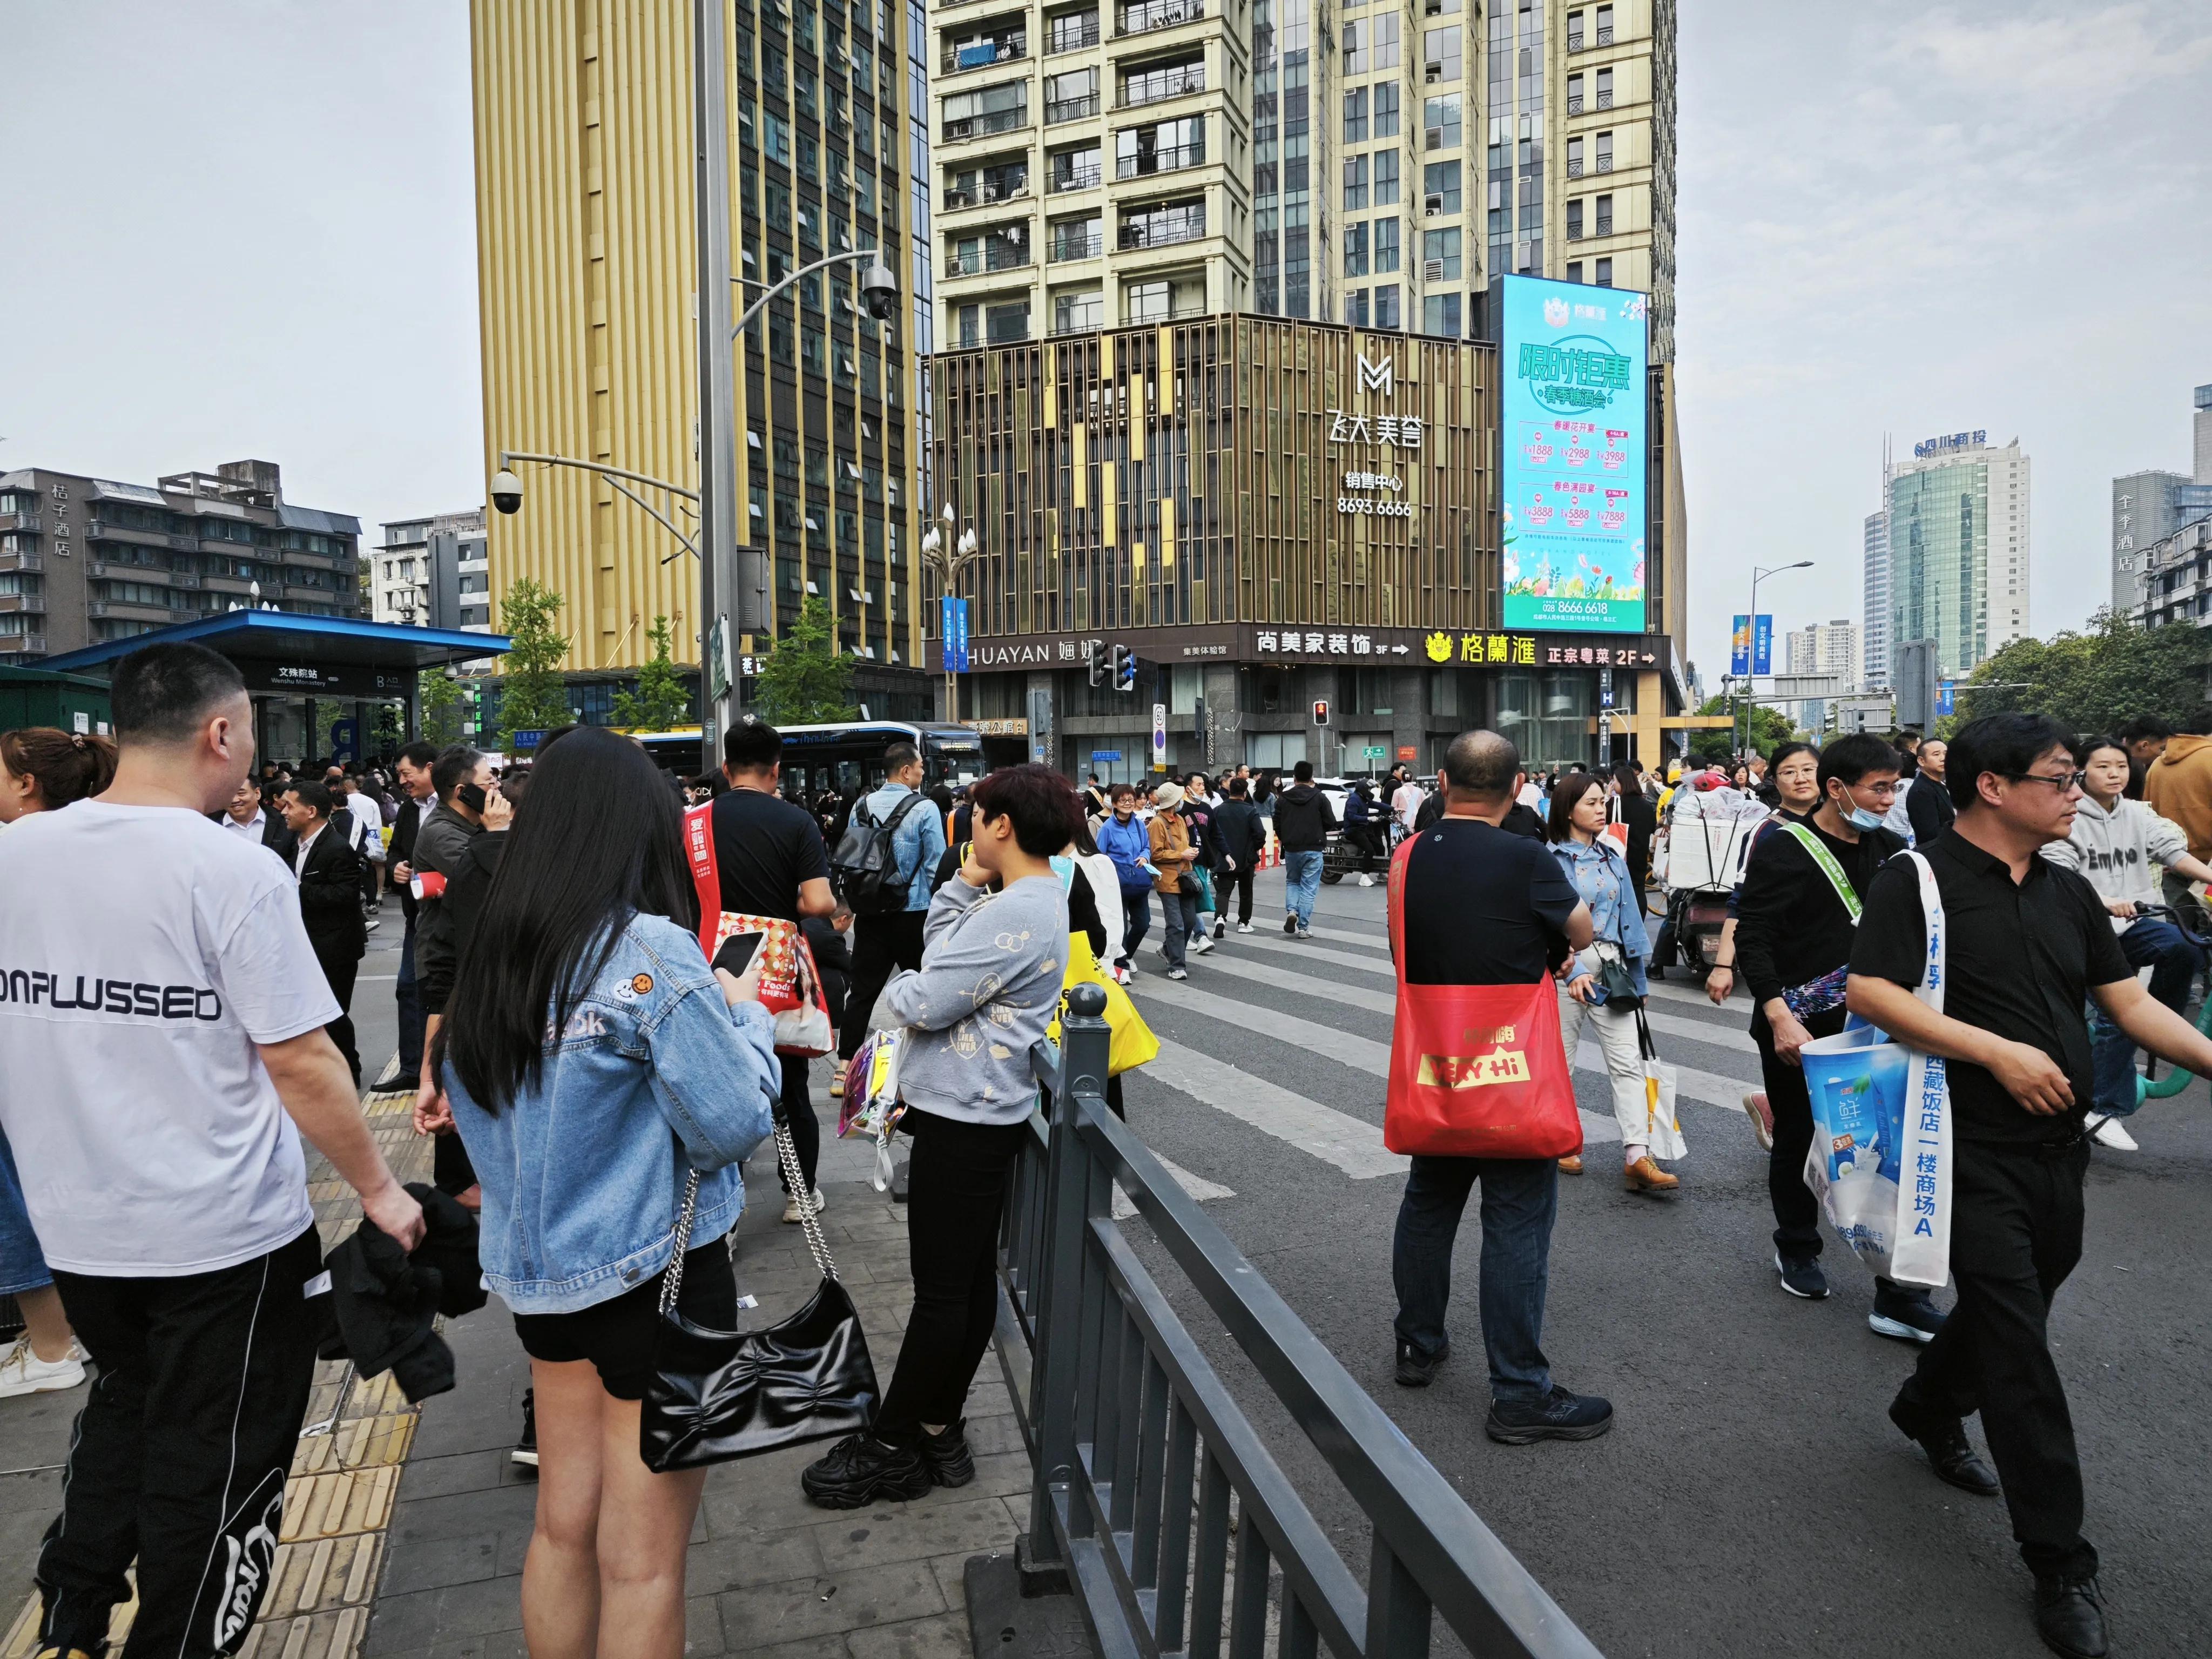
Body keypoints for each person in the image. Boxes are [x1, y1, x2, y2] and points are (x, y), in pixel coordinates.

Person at [0, 643, 422, 1659]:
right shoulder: (230, 866)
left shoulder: (16, 856)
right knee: (224, 1460)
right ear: (220, 733)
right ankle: (183, 1642)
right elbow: (304, 1061)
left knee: (127, 1405)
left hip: (79, 1227)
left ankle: (71, 1610)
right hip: (219, 1238)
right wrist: (379, 1191)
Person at [1847, 713, 2212, 1659]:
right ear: (1994, 788)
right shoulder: (1914, 880)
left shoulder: (2067, 890)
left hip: (2055, 1150)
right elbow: (1871, 990)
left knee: (2029, 1292)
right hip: (1962, 1147)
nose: (2079, 793)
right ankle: (2061, 1560)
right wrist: (1998, 1051)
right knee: (2019, 1344)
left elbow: (2126, 1002)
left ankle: (1927, 1403)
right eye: (2059, 778)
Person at [439, 727, 778, 1659]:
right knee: (645, 1564)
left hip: (546, 1285)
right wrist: (743, 1017)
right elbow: (732, 1123)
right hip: (655, 1281)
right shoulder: (649, 952)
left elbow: (482, 1116)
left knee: (562, 1525)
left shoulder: (501, 955)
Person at [800, 764, 1077, 1507]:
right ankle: (939, 1428)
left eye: (977, 817)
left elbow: (927, 994)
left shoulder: (1019, 912)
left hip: (968, 1117)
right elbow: (944, 942)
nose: (969, 828)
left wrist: (893, 990)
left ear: (1003, 826)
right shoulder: (1029, 898)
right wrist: (962, 884)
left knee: (941, 1294)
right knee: (963, 1283)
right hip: (977, 1111)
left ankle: (893, 1444)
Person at [1388, 731, 1609, 1444]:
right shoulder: (1528, 857)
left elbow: (1403, 951)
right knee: (1515, 1220)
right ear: (1519, 789)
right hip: (1511, 1067)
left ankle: (1418, 1343)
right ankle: (1519, 1392)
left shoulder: (1407, 856)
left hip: (1438, 1063)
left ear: (1442, 782)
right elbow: (1578, 931)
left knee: (1429, 1202)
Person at [1731, 731, 1944, 1343]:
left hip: (1877, 1028)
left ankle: (1895, 1291)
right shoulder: (1783, 848)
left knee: (1882, 1156)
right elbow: (1756, 938)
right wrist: (1777, 1016)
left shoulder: (1894, 850)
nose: (1887, 799)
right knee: (1798, 1137)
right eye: (1878, 788)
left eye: (1893, 787)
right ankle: (1796, 1247)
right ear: (1836, 788)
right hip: (1801, 1030)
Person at [0, 727, 119, 1400]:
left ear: (26, 782)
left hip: (18, 1041)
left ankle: (49, 1344)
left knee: (11, 1195)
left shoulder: (15, 848)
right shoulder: (99, 845)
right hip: (75, 1042)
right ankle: (60, 1332)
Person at [2044, 734, 2212, 1152]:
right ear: (2082, 771)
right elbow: (2063, 875)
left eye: (2120, 766)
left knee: (2183, 948)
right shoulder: (2065, 813)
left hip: (2137, 921)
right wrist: (2103, 902)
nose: (2114, 773)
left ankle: (2157, 1028)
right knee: (2118, 1012)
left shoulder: (2138, 813)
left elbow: (2172, 853)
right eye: (2103, 767)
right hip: (2089, 927)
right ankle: (2101, 1106)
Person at [703, 720, 838, 1222]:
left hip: (711, 967)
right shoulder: (795, 821)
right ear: (775, 769)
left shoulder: (693, 822)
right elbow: (819, 900)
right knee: (792, 1084)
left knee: (719, 1078)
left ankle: (725, 1205)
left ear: (725, 767)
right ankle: (799, 1195)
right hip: (773, 968)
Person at [1547, 771, 1678, 1193]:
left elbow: (1630, 922)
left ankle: (1637, 1155)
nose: (1601, 808)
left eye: (1602, 801)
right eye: (1590, 803)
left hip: (1612, 963)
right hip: (1563, 966)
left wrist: (1639, 978)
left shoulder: (1611, 856)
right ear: (1568, 809)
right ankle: (1563, 1140)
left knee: (1627, 1063)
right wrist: (1574, 969)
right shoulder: (1548, 861)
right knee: (1560, 1060)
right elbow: (1547, 923)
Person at [838, 742, 949, 1074]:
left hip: (870, 913)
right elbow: (935, 866)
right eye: (919, 767)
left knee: (861, 992)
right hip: (913, 913)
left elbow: (852, 855)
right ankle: (925, 1064)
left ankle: (843, 1068)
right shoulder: (925, 808)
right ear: (905, 771)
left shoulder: (861, 804)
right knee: (924, 989)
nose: (922, 772)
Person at [1704, 740, 1820, 1011]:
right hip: (1787, 965)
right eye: (1789, 772)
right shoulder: (1766, 832)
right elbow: (1741, 903)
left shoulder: (1843, 825)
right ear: (1775, 781)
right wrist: (1723, 966)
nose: (1800, 779)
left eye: (1808, 770)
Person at [278, 780, 370, 1087]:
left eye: (290, 805)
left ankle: (349, 1070)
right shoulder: (296, 844)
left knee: (333, 1011)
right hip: (306, 943)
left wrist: (299, 890)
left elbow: (345, 895)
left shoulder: (337, 847)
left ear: (312, 811)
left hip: (336, 947)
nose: (284, 811)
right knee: (313, 1011)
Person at [381, 740, 441, 1092]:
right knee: (408, 989)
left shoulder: (457, 805)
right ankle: (412, 1068)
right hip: (416, 918)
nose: (402, 781)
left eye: (406, 773)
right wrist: (397, 869)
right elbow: (395, 853)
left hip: (449, 917)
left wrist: (424, 880)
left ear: (430, 768)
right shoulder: (407, 810)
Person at [1145, 780, 1205, 980]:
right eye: (1180, 798)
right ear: (1174, 801)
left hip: (1185, 877)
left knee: (1189, 920)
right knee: (1176, 924)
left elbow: (1184, 845)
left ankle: (1167, 949)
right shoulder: (1157, 823)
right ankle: (1177, 966)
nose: (1182, 800)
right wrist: (1182, 855)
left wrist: (1190, 852)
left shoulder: (1179, 819)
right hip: (1168, 880)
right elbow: (1156, 854)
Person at [1274, 760, 1336, 938]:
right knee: (1309, 888)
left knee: (1293, 882)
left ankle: (1292, 911)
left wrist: (1286, 838)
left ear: (1294, 778)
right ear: (1312, 778)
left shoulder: (1283, 799)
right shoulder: (1320, 797)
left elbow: (1277, 824)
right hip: (1314, 847)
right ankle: (1303, 928)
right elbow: (1330, 821)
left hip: (1292, 848)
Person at [1098, 783, 1154, 974]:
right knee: (1119, 926)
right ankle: (1121, 967)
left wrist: (1145, 856)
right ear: (1114, 803)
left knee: (1143, 923)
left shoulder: (1139, 824)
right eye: (1123, 800)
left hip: (1138, 881)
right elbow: (1099, 856)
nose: (1128, 803)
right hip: (1117, 884)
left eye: (1131, 799)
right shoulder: (1107, 829)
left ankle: (1126, 955)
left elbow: (1147, 847)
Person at [1211, 777, 1264, 934]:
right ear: (1245, 793)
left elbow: (1211, 834)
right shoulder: (1250, 810)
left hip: (1224, 857)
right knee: (1246, 891)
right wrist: (1254, 848)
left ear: (1229, 791)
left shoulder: (1218, 810)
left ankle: (1220, 917)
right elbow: (1260, 833)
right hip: (1245, 858)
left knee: (1223, 891)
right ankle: (1243, 922)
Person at [213, 772, 296, 864]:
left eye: (241, 793)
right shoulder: (210, 826)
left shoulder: (284, 823)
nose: (235, 800)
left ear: (257, 793)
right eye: (228, 795)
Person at [339, 773, 387, 928]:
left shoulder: (345, 802)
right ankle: (372, 902)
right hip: (368, 841)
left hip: (350, 841)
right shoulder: (370, 801)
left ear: (345, 787)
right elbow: (378, 825)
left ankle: (359, 896)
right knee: (369, 872)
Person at [1608, 758, 1657, 899]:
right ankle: (1639, 921)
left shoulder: (1615, 804)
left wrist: (1607, 795)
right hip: (1640, 855)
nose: (1613, 784)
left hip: (1620, 855)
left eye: (1615, 781)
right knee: (1638, 891)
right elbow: (1651, 827)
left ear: (1622, 783)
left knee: (1622, 892)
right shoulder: (1646, 804)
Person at [1904, 737, 1958, 845]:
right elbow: (1930, 834)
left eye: (1946, 754)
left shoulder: (1941, 784)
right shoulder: (1921, 791)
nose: (1943, 758)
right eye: (1936, 754)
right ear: (1921, 761)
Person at [2116, 714, 2170, 800]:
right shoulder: (2120, 772)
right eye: (2161, 749)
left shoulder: (2148, 766)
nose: (2162, 753)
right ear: (2144, 746)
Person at [1343, 779, 1384, 884]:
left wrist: (1394, 809)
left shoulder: (1363, 798)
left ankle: (1381, 872)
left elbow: (1376, 805)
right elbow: (1352, 817)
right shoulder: (1354, 800)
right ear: (1364, 789)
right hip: (1353, 830)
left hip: (1363, 829)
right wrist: (1368, 819)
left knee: (1380, 846)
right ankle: (1364, 877)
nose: (1370, 791)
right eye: (1369, 789)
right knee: (1369, 850)